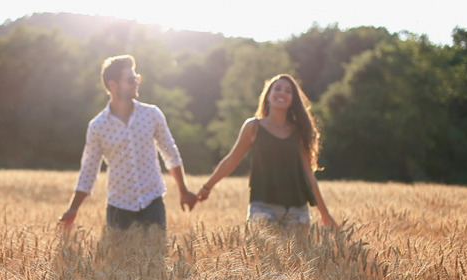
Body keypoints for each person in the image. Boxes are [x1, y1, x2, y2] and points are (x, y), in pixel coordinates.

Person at [58, 54, 197, 231]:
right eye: (130, 79)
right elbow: (88, 171)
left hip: (153, 205)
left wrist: (183, 191)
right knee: (117, 259)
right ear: (113, 85)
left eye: (136, 77)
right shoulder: (97, 126)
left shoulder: (152, 114)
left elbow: (171, 153)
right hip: (118, 210)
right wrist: (73, 208)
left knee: (156, 258)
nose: (136, 82)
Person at [197, 74, 337, 228]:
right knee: (264, 253)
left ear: (292, 100)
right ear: (268, 96)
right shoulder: (253, 127)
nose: (282, 93)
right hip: (263, 207)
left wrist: (325, 214)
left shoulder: (299, 132)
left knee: (299, 253)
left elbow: (308, 174)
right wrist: (207, 187)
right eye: (277, 89)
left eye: (288, 91)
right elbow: (231, 160)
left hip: (297, 210)